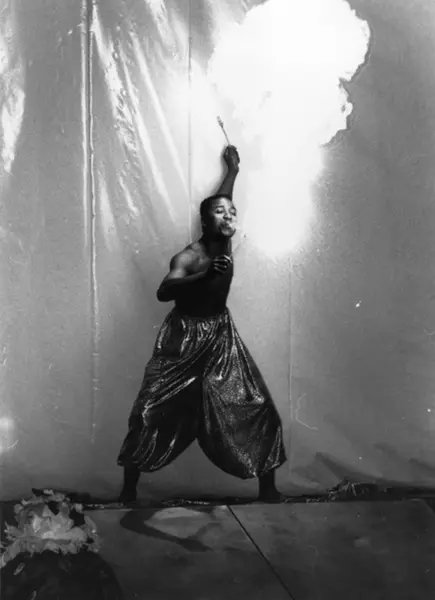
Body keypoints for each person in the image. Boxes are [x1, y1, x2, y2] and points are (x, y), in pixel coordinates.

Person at [117, 145, 287, 504]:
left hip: (220, 335)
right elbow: (164, 291)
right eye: (220, 213)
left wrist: (233, 171)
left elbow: (222, 200)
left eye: (232, 212)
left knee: (258, 408)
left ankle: (268, 490)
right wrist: (204, 275)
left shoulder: (225, 238)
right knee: (150, 411)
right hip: (184, 338)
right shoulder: (190, 256)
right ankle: (128, 490)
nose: (229, 215)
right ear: (206, 222)